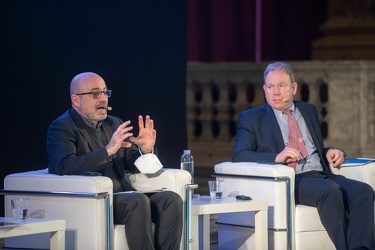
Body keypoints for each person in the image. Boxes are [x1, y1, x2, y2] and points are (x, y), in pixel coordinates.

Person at [233, 62, 374, 250]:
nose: (275, 92)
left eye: (281, 86)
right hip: (290, 180)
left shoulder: (308, 110)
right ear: (264, 89)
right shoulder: (251, 118)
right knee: (329, 191)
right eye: (270, 86)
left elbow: (313, 147)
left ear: (293, 88)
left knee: (363, 190)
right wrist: (277, 157)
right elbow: (240, 155)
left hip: (320, 175)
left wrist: (331, 151)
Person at [46, 72, 183, 250]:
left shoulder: (113, 123)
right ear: (76, 100)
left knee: (171, 199)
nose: (103, 99)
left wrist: (145, 150)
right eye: (95, 93)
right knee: (138, 201)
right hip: (94, 200)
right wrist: (108, 151)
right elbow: (65, 166)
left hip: (123, 195)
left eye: (105, 92)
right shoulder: (62, 127)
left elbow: (131, 163)